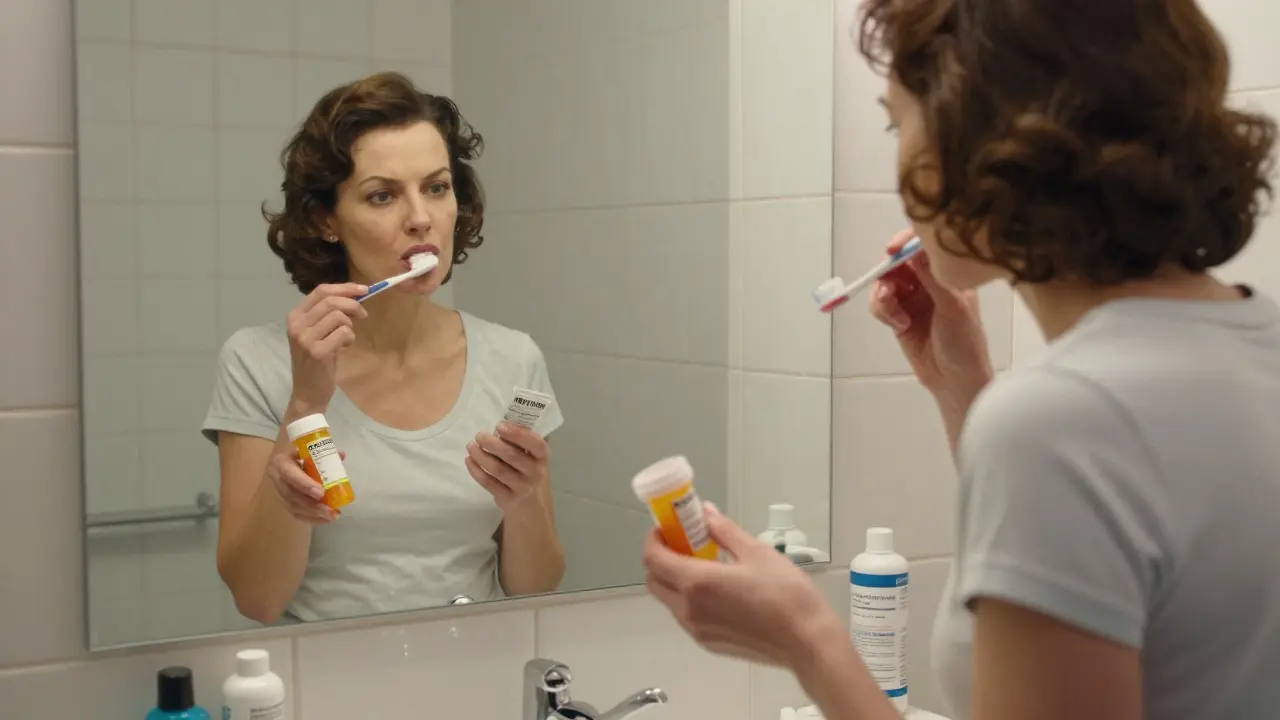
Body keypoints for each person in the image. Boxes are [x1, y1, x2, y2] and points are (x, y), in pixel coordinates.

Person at [642, 1, 1280, 718]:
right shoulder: (1256, 345)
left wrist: (807, 640)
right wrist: (967, 390)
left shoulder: (1062, 422)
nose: (896, 157)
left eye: (895, 120)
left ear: (983, 138)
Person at [203, 72, 566, 624]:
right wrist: (305, 405)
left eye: (437, 187)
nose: (420, 218)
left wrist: (521, 504)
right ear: (327, 220)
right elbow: (257, 600)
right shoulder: (256, 361)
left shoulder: (515, 359)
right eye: (382, 195)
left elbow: (536, 589)